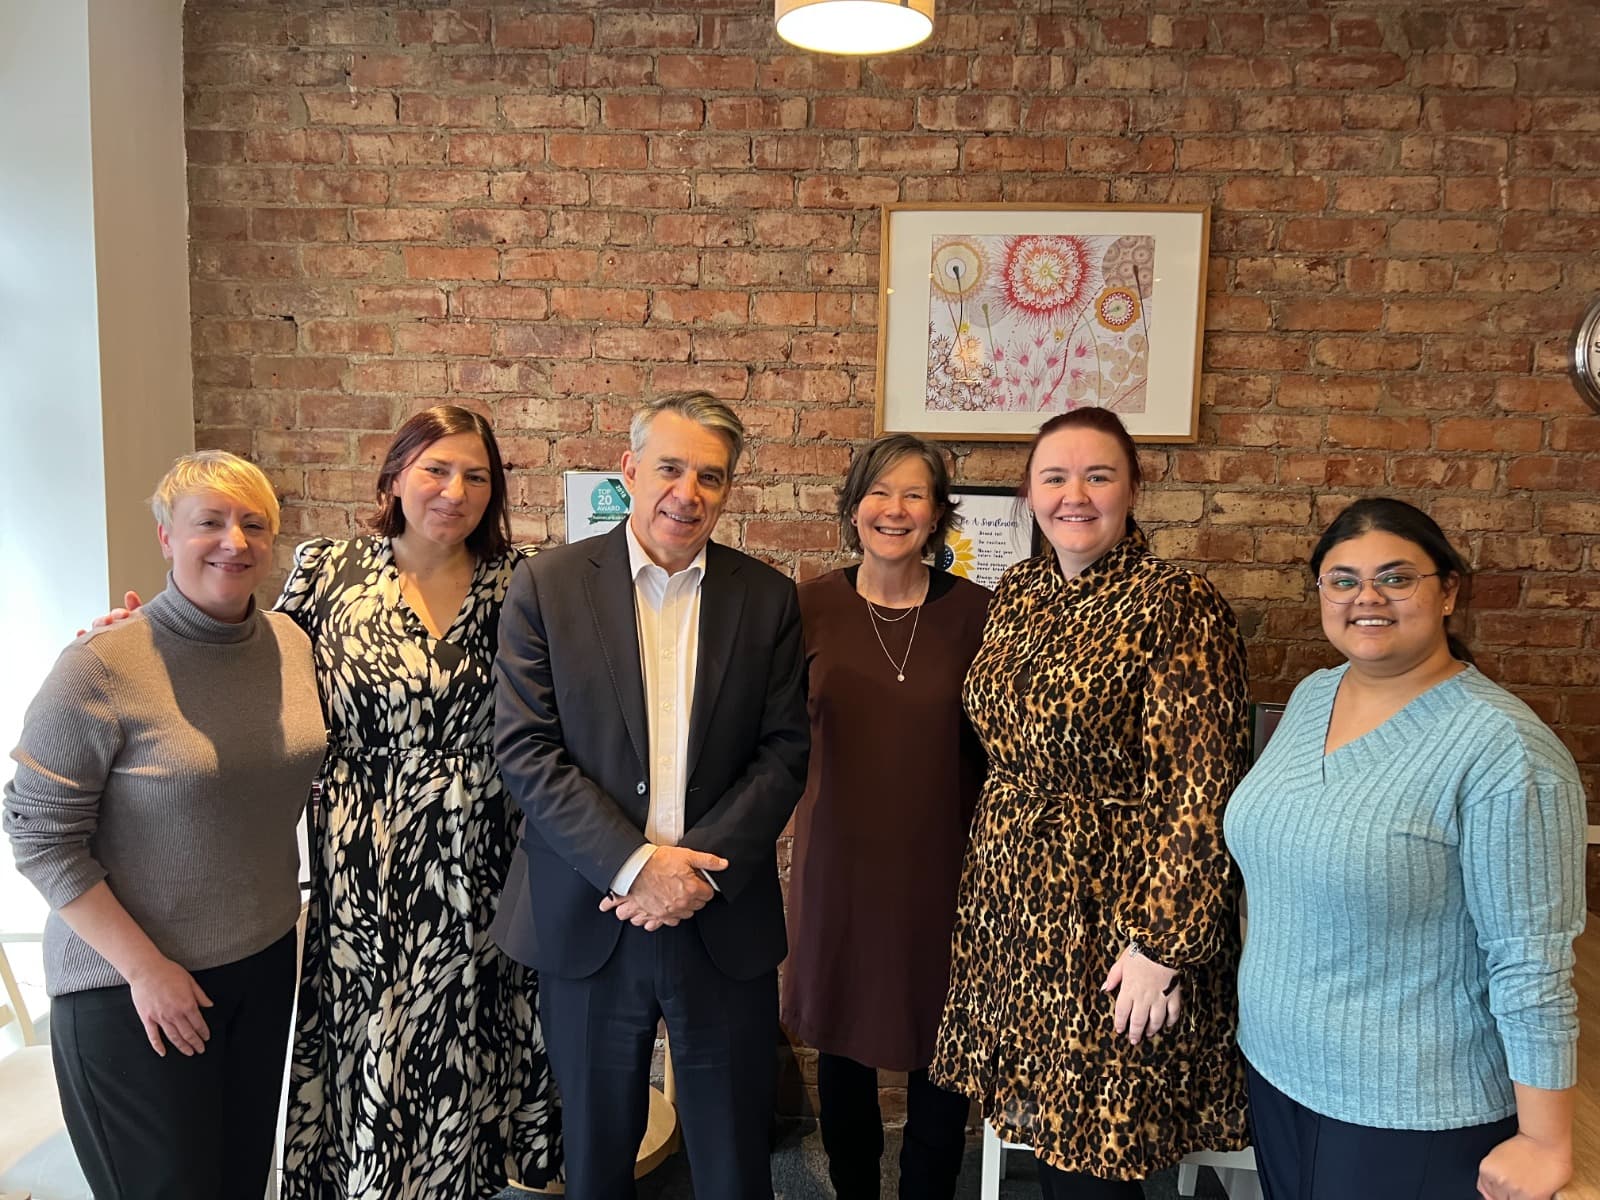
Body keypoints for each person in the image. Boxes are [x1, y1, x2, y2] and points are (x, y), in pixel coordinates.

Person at [493, 392, 810, 1200]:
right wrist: (636, 867)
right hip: (592, 916)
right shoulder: (547, 587)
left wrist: (696, 873)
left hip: (720, 917)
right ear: (630, 469)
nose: (688, 492)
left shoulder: (767, 599)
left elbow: (783, 754)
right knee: (597, 1160)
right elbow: (526, 751)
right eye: (670, 467)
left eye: (711, 476)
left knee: (735, 1161)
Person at [930, 408, 1252, 1197]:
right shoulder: (1018, 592)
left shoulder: (1177, 602)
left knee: (1097, 1149)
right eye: (1055, 477)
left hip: (1116, 914)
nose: (1076, 495)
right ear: (1029, 495)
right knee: (1040, 1133)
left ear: (1134, 487)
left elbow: (1203, 786)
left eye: (1099, 476)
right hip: (1016, 905)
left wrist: (1164, 946)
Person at [1225, 498, 1584, 1200]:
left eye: (1396, 578)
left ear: (1448, 590)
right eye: (1343, 579)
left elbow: (1531, 959)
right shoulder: (1310, 698)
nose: (1367, 598)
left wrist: (1545, 1140)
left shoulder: (1503, 750)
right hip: (1276, 1072)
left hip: (1407, 1110)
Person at [3, 451, 326, 1199]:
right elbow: (37, 835)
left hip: (262, 961)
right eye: (207, 522)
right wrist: (146, 970)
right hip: (129, 985)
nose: (233, 542)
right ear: (164, 536)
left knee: (243, 1182)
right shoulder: (101, 665)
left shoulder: (290, 644)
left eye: (253, 524)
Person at [276, 404, 560, 1198]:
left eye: (476, 475)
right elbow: (254, 666)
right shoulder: (327, 569)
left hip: (489, 848)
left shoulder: (526, 579)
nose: (454, 490)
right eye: (436, 468)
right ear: (396, 475)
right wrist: (142, 633)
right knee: (375, 1032)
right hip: (365, 852)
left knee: (475, 1028)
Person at [781, 434, 988, 1198]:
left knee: (944, 1047)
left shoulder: (980, 615)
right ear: (853, 505)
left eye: (914, 495)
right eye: (879, 492)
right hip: (839, 866)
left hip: (947, 869)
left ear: (937, 516)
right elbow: (772, 740)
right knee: (842, 1043)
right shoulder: (809, 606)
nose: (894, 510)